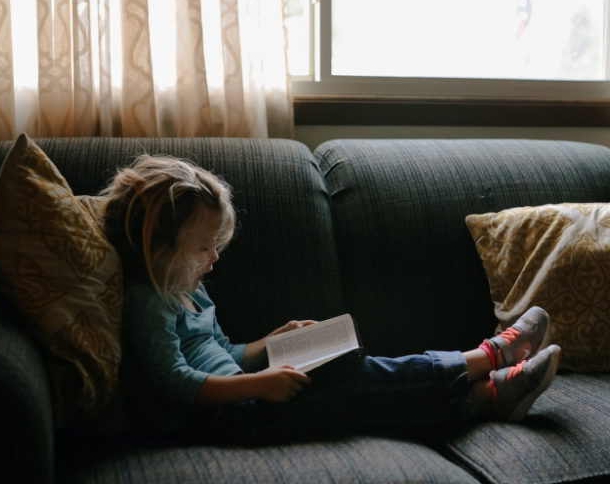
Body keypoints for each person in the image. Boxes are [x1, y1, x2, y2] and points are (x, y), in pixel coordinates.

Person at [100, 154, 561, 442]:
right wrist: (259, 384)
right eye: (203, 248)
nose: (214, 259)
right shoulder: (148, 302)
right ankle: (489, 357)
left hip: (244, 398)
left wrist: (270, 342)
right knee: (353, 381)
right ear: (159, 248)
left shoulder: (188, 289)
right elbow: (178, 381)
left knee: (353, 375)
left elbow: (225, 354)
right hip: (228, 418)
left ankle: (486, 395)